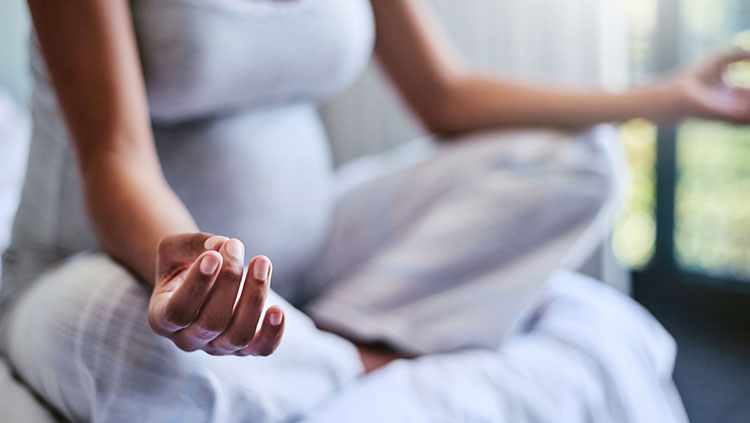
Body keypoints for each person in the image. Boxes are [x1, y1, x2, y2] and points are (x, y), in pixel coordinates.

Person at [1, 0, 747, 421]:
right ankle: (338, 360)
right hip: (115, 259)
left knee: (577, 160)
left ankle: (336, 346)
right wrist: (188, 266)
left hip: (307, 256)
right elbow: (114, 159)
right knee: (116, 348)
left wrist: (665, 97)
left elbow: (445, 94)